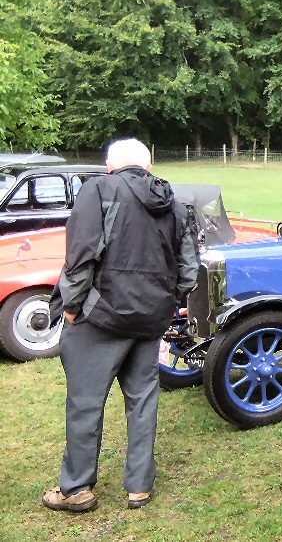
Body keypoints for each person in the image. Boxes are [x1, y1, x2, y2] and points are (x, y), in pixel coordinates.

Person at [42, 138, 200, 512]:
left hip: (99, 317)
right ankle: (139, 488)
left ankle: (76, 488)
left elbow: (81, 254)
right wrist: (165, 303)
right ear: (147, 165)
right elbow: (190, 270)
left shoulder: (97, 189)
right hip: (149, 319)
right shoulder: (173, 201)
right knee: (143, 402)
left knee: (85, 403)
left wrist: (72, 306)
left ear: (111, 165)